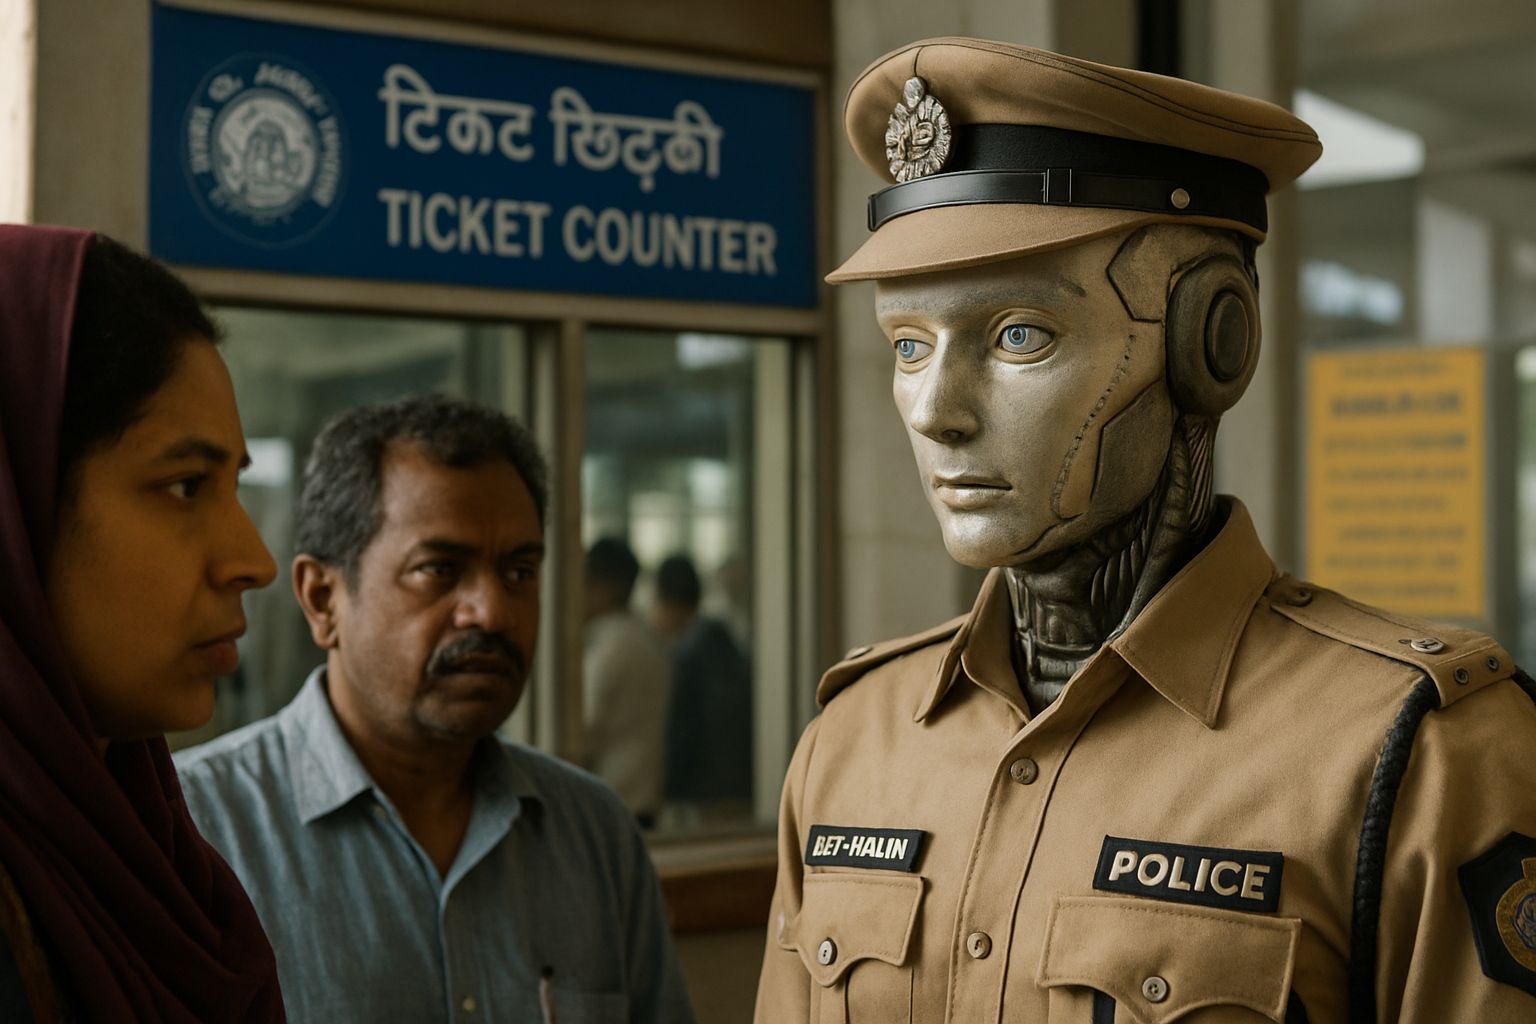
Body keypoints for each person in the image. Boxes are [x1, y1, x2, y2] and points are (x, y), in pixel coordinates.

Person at [755, 38, 1536, 1023]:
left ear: (1213, 339)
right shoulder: (851, 743)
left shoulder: (1420, 755)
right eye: (910, 346)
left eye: (1018, 335)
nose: (935, 410)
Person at [174, 394, 695, 1023]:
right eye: (439, 570)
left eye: (519, 572)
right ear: (323, 599)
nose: (492, 613)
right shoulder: (195, 831)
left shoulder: (593, 834)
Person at [0, 225, 284, 1021]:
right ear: (17, 511)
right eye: (186, 486)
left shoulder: (150, 855)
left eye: (234, 487)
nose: (254, 560)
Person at [653, 554, 753, 821]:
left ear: (666, 601)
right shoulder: (721, 640)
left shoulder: (690, 654)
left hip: (709, 791)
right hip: (741, 784)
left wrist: (672, 789)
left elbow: (684, 730)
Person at [583, 537, 670, 825]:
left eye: (585, 582)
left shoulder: (609, 646)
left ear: (604, 587)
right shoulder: (647, 637)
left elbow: (582, 730)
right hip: (643, 801)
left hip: (612, 807)